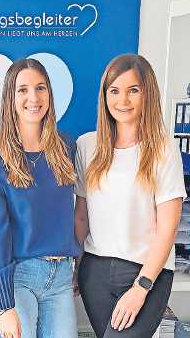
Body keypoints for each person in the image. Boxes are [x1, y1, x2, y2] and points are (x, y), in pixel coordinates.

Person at [74, 54, 186, 338]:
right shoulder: (87, 146)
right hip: (95, 272)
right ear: (105, 95)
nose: (122, 100)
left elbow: (168, 228)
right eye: (114, 91)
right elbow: (82, 215)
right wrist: (75, 267)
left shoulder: (163, 149)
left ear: (147, 94)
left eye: (132, 90)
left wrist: (141, 287)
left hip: (147, 272)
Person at [0, 58, 81, 338]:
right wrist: (3, 306)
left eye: (40, 88)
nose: (33, 98)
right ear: (10, 98)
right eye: (22, 90)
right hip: (16, 279)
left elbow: (77, 213)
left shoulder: (66, 149)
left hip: (60, 277)